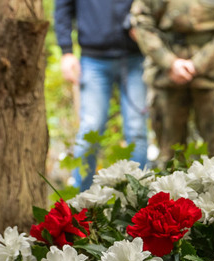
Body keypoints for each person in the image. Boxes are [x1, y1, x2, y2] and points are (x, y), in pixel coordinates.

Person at [130, 0, 214, 166]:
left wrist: (199, 64)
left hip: (213, 75)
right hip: (166, 75)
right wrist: (169, 63)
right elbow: (141, 20)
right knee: (169, 159)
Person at [55, 0, 150, 191]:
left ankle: (138, 201)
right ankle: (82, 202)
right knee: (91, 128)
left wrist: (144, 27)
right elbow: (63, 7)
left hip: (135, 57)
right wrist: (66, 51)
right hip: (93, 59)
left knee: (137, 130)